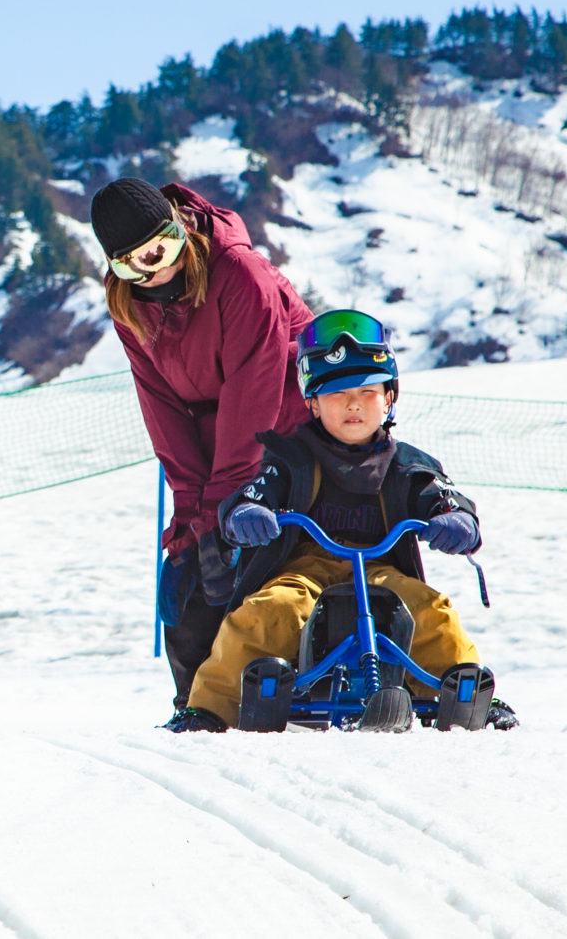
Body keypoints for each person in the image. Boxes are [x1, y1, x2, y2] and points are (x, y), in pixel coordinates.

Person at [171, 309, 515, 731]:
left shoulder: (406, 464)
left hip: (380, 571)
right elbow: (254, 492)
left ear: (389, 397)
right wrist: (247, 514)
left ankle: (468, 694)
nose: (353, 403)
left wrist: (455, 518)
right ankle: (208, 708)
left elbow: (440, 495)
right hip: (305, 570)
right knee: (270, 611)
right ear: (313, 403)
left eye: (367, 391)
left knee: (430, 611)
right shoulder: (291, 458)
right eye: (336, 393)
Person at [86, 177, 313, 730]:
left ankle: (290, 688)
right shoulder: (128, 305)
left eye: (161, 250)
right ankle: (199, 704)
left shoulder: (239, 274)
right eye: (133, 263)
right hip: (217, 446)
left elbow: (254, 393)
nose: (152, 271)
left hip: (288, 434)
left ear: (181, 230)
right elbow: (159, 402)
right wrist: (191, 511)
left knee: (254, 556)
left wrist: (222, 507)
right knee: (189, 565)